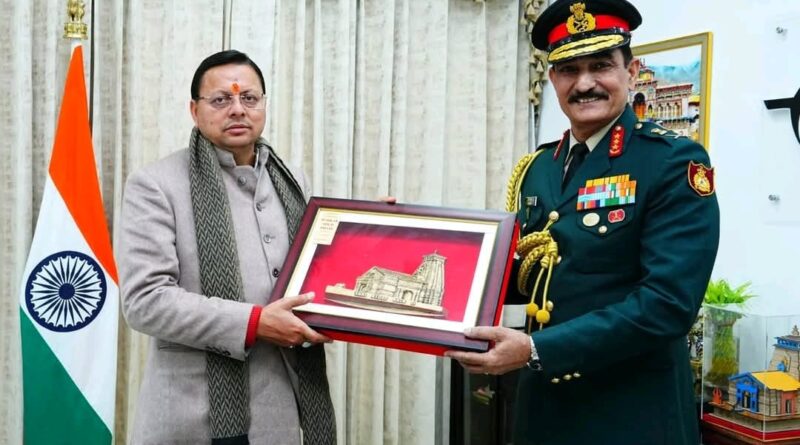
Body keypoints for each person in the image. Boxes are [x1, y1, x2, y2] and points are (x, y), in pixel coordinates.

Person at [445, 1, 720, 444]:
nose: (585, 83)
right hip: (545, 409)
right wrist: (415, 244)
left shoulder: (671, 161)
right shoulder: (540, 167)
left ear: (631, 72)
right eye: (569, 69)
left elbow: (667, 304)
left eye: (601, 66)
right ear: (553, 79)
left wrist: (535, 349)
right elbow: (531, 274)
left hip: (630, 413)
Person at [119, 50, 336, 445]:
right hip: (191, 416)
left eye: (249, 98)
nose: (238, 109)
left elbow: (318, 272)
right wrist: (254, 323)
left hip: (283, 415)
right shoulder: (156, 185)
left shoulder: (294, 182)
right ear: (194, 110)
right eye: (221, 99)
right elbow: (145, 301)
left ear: (263, 105)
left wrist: (371, 232)